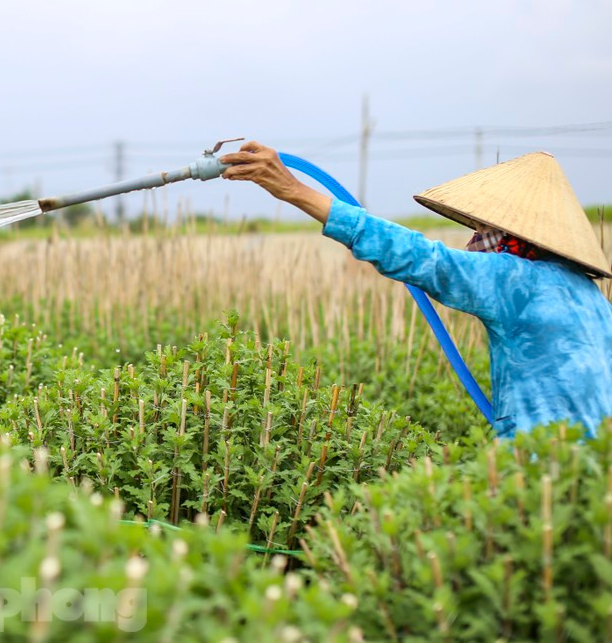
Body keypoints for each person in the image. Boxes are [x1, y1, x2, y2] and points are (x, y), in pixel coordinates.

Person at [219, 141, 612, 439]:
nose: (476, 238)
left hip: (541, 468)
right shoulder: (591, 298)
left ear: (509, 235)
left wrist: (292, 190)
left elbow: (420, 257)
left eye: (483, 229)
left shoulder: (513, 280)